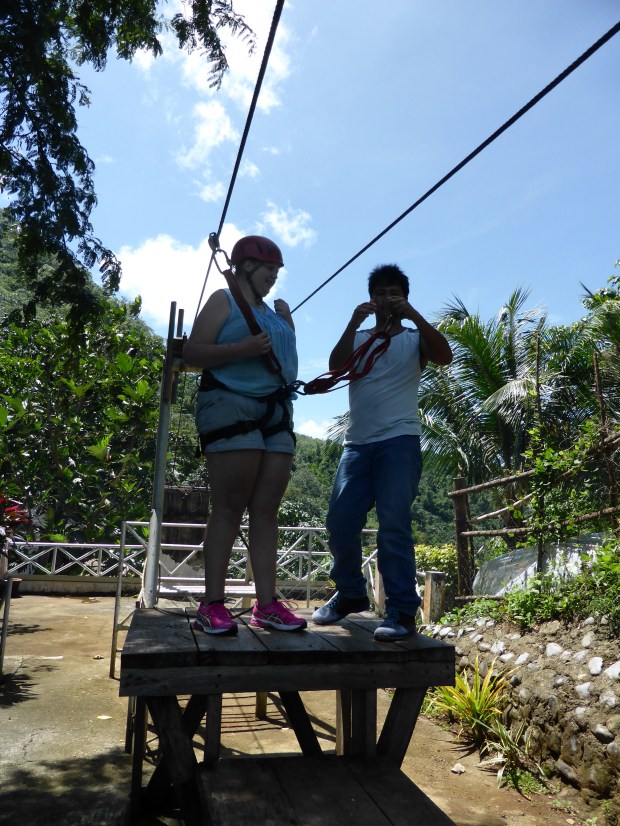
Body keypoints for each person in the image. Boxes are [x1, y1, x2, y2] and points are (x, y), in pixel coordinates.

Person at [312, 264, 452, 641]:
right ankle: (351, 593)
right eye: (381, 293)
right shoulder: (360, 339)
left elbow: (444, 356)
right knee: (340, 521)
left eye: (395, 292)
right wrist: (353, 321)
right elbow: (334, 366)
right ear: (371, 298)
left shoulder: (413, 339)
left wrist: (414, 315)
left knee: (393, 525)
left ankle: (403, 611)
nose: (387, 298)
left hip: (399, 442)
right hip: (356, 444)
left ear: (405, 296)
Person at [183, 235, 306, 635]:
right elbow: (191, 355)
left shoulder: (273, 312)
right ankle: (212, 603)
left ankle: (266, 604)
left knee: (267, 508)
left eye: (277, 270)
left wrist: (286, 323)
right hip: (231, 404)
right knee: (230, 504)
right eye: (269, 268)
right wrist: (242, 348)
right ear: (247, 267)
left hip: (276, 408)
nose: (274, 276)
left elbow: (283, 358)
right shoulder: (224, 299)